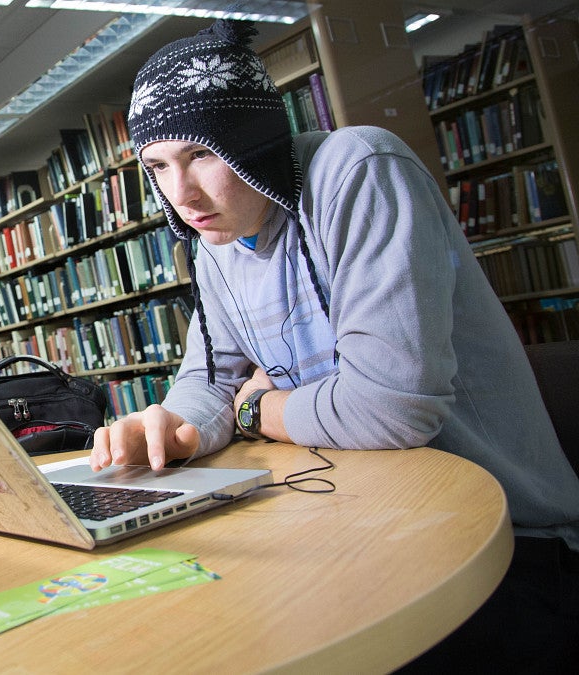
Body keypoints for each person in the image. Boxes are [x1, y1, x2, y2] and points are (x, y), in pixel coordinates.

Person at [89, 18, 579, 671]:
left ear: (253, 140)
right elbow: (210, 376)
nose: (182, 197)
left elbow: (395, 409)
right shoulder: (214, 246)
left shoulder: (359, 171)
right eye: (158, 167)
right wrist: (174, 425)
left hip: (508, 548)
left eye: (202, 154)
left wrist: (252, 411)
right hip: (374, 530)